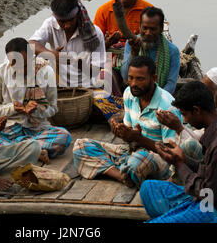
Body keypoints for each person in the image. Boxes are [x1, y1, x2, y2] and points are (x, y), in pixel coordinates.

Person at [141, 81, 217, 223]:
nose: (185, 121)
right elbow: (209, 170)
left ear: (197, 111)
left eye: (185, 115)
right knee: (148, 189)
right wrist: (183, 158)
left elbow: (208, 193)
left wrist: (180, 164)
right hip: (209, 198)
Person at [72, 56, 182, 187]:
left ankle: (124, 169)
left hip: (158, 157)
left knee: (137, 162)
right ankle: (122, 176)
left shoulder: (167, 106)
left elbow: (171, 153)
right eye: (130, 78)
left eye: (140, 79)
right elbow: (129, 136)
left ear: (153, 79)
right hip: (132, 149)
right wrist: (120, 131)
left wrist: (140, 139)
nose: (134, 83)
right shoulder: (129, 94)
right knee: (80, 146)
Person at [0, 37, 72, 164]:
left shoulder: (46, 71)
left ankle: (21, 151)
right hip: (9, 129)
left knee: (64, 137)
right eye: (15, 64)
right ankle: (34, 151)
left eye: (25, 65)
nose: (21, 69)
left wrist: (36, 110)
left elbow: (53, 108)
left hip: (36, 129)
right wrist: (13, 108)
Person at [156, 67, 217, 162]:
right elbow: (200, 137)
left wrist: (179, 128)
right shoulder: (215, 111)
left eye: (205, 88)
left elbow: (200, 147)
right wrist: (178, 127)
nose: (200, 92)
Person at [28, 0, 106, 89]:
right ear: (55, 17)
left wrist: (77, 63)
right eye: (62, 21)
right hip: (58, 83)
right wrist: (52, 55)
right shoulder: (50, 24)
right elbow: (30, 44)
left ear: (77, 15)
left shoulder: (95, 33)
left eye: (70, 20)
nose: (67, 25)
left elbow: (97, 71)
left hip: (87, 86)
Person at [94, 0, 153, 75]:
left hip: (140, 59)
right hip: (110, 61)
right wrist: (108, 42)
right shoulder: (103, 11)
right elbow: (94, 47)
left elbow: (155, 41)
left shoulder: (148, 10)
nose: (122, 0)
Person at [120, 7, 180, 94]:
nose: (148, 33)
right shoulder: (132, 44)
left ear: (161, 28)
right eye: (145, 28)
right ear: (140, 26)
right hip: (135, 94)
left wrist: (155, 99)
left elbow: (171, 83)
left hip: (160, 98)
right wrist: (134, 53)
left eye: (153, 29)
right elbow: (125, 76)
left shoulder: (172, 51)